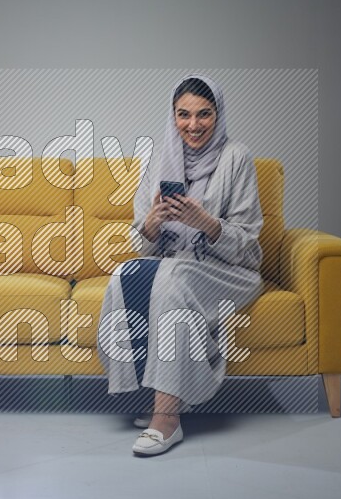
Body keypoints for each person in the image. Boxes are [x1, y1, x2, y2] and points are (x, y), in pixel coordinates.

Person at [97, 74, 264, 456]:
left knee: (172, 277)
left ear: (218, 115)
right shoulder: (159, 157)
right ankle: (160, 393)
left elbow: (247, 240)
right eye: (183, 114)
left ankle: (167, 418)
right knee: (125, 273)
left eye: (204, 114)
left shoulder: (236, 156)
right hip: (175, 264)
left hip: (230, 271)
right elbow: (141, 238)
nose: (193, 125)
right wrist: (155, 221)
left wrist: (203, 222)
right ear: (172, 116)